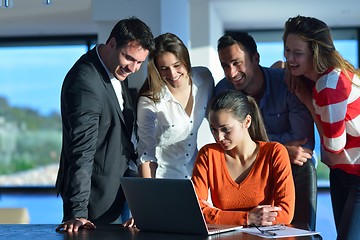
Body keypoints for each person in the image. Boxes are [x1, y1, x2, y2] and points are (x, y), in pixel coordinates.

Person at [55, 17, 155, 232]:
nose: (134, 68)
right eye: (129, 58)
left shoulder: (116, 69)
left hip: (120, 190)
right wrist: (78, 212)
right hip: (95, 202)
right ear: (111, 44)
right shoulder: (85, 82)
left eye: (140, 62)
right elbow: (81, 151)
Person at [215, 32, 317, 230]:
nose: (231, 73)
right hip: (245, 172)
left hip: (291, 170)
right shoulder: (223, 91)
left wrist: (255, 144)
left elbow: (302, 142)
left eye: (237, 63)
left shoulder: (287, 83)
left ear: (256, 58)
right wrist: (280, 148)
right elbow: (228, 141)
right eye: (225, 65)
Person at [283, 15, 360, 239]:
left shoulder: (329, 86)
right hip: (344, 173)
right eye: (287, 50)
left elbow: (333, 149)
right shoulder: (327, 78)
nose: (289, 58)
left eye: (297, 53)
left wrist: (307, 100)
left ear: (316, 52)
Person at [192, 90, 295, 226]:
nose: (219, 137)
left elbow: (285, 214)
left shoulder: (275, 152)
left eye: (225, 129)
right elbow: (196, 212)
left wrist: (217, 215)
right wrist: (248, 218)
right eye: (214, 129)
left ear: (246, 122)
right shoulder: (208, 154)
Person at [136, 32, 214, 178]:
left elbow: (217, 122)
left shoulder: (205, 78)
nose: (172, 74)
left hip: (195, 176)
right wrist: (149, 196)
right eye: (164, 68)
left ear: (185, 59)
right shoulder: (149, 102)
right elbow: (146, 155)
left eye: (177, 65)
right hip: (163, 179)